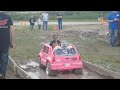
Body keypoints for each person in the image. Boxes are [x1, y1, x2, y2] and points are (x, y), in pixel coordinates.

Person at [0, 12, 14, 79]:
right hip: (5, 43)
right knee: (4, 61)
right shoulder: (8, 17)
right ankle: (2, 75)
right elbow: (11, 31)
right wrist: (12, 42)